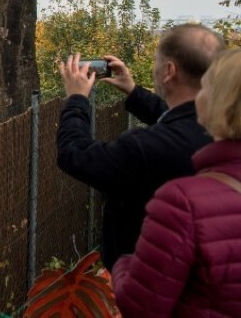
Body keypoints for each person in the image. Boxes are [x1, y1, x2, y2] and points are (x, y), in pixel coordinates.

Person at [56, 23, 225, 268]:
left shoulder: (144, 149)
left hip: (147, 282)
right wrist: (134, 92)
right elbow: (182, 119)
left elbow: (74, 154)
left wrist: (76, 98)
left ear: (169, 70)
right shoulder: (223, 130)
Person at [112, 48, 241, 316]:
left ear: (220, 103)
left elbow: (141, 307)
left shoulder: (182, 202)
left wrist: (124, 263)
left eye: (203, 88)